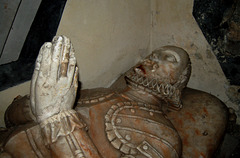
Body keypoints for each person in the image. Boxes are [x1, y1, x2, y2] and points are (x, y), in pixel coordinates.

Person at [0, 36, 228, 158]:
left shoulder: (164, 138)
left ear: (178, 82)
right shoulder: (93, 92)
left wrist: (57, 118)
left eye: (168, 59)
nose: (152, 58)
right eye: (153, 53)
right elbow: (10, 118)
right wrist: (34, 104)